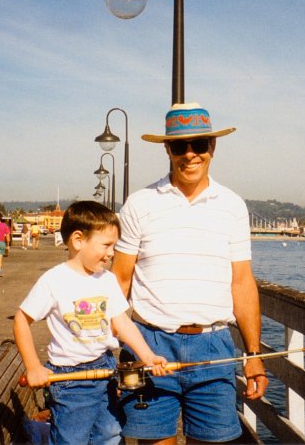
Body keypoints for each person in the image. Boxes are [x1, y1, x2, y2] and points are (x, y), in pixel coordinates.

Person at [112, 102, 268, 443]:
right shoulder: (139, 203)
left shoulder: (232, 206)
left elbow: (241, 283)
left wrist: (253, 356)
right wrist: (108, 341)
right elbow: (118, 281)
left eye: (199, 145)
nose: (190, 155)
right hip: (149, 344)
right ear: (167, 149)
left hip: (214, 347)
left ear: (212, 147)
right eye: (180, 146)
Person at [13, 200, 168, 445]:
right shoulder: (53, 280)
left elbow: (122, 323)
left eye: (114, 246)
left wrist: (148, 356)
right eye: (106, 245)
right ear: (78, 240)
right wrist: (33, 367)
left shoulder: (106, 279)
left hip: (104, 370)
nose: (111, 253)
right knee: (71, 439)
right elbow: (22, 320)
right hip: (69, 379)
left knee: (110, 433)